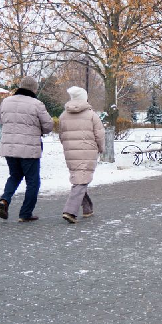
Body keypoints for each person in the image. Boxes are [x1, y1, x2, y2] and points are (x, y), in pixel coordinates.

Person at [0, 76, 54, 223]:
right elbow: (48, 126)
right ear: (34, 89)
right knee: (33, 181)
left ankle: (4, 200)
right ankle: (25, 213)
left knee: (14, 176)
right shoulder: (37, 104)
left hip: (9, 147)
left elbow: (0, 120)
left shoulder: (6, 101)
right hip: (29, 149)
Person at [58, 86, 105, 224]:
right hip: (88, 152)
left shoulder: (63, 115)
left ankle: (87, 208)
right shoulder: (92, 115)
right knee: (82, 180)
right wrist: (100, 149)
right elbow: (100, 135)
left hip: (70, 152)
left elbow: (61, 135)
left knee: (80, 178)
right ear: (84, 98)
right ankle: (70, 211)